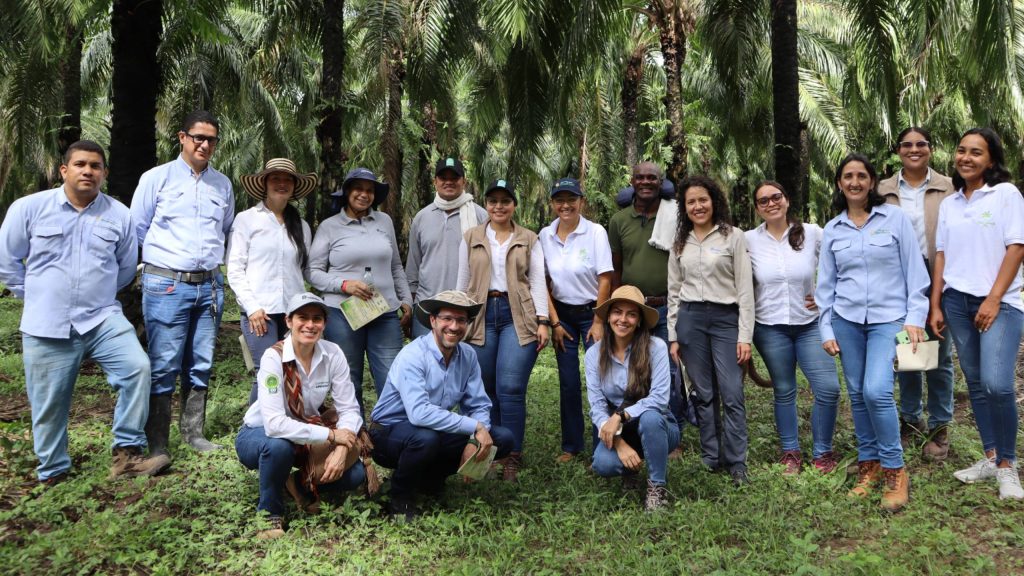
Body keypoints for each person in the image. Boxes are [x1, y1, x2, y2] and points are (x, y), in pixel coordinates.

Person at [0, 140, 169, 485]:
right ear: (65, 170)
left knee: (137, 369)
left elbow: (124, 268)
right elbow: (6, 261)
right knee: (49, 403)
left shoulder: (119, 216)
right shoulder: (29, 208)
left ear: (104, 173)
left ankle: (126, 454)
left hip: (101, 317)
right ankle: (53, 472)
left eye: (95, 166)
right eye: (80, 164)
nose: (87, 171)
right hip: (47, 323)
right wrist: (35, 295)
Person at [816, 153, 929, 512]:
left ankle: (896, 469)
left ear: (871, 181)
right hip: (847, 321)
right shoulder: (833, 229)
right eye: (847, 176)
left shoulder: (894, 219)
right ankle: (870, 466)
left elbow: (915, 272)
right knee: (857, 392)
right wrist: (825, 327)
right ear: (839, 183)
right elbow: (826, 286)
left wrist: (916, 318)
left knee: (876, 390)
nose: (854, 182)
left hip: (889, 319)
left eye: (861, 176)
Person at [131, 110, 234, 457]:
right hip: (166, 285)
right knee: (164, 363)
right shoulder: (155, 179)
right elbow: (138, 230)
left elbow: (225, 231)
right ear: (182, 138)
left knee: (201, 361)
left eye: (211, 140)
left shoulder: (223, 184)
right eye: (198, 138)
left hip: (210, 286)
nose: (204, 144)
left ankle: (194, 434)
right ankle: (157, 442)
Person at [930, 127, 1024, 500]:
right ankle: (990, 456)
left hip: (999, 303)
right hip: (956, 301)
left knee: (997, 383)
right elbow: (941, 256)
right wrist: (936, 303)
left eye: (976, 152)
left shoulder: (1005, 195)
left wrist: (993, 299)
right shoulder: (951, 203)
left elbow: (1017, 248)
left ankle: (1008, 466)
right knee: (975, 382)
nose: (966, 158)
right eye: (961, 150)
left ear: (991, 160)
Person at [369, 291, 515, 520]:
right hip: (388, 432)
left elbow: (478, 404)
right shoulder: (413, 355)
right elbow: (419, 414)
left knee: (503, 438)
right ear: (433, 321)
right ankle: (399, 500)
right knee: (424, 438)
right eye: (447, 318)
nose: (454, 326)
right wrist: (474, 427)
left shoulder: (467, 355)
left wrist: (473, 438)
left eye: (461, 320)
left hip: (431, 430)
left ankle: (430, 480)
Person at [235, 293, 366, 539]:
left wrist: (340, 448)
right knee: (278, 447)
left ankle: (298, 486)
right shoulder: (273, 357)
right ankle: (270, 514)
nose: (310, 324)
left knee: (355, 473)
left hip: (306, 432)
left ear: (324, 324)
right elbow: (274, 425)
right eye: (302, 317)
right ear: (288, 321)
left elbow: (349, 407)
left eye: (317, 318)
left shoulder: (332, 353)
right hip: (259, 435)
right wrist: (330, 435)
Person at [745, 181, 842, 475]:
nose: (771, 203)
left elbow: (841, 265)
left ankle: (822, 452)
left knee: (828, 389)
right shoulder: (748, 240)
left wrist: (828, 297)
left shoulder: (813, 233)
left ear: (787, 200)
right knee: (785, 389)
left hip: (810, 324)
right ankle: (790, 453)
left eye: (776, 197)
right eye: (763, 201)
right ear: (757, 208)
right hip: (770, 327)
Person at [457, 179, 549, 481]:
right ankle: (490, 450)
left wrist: (543, 320)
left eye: (505, 201)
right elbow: (463, 281)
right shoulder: (471, 237)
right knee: (485, 390)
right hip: (481, 314)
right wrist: (459, 319)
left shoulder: (529, 238)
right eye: (493, 200)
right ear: (486, 204)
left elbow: (537, 282)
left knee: (510, 389)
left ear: (514, 205)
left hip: (516, 315)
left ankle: (512, 455)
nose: (499, 206)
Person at [667, 176, 755, 486]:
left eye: (702, 199)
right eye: (691, 202)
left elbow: (745, 290)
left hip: (725, 319)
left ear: (714, 201)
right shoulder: (680, 242)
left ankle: (736, 461)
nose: (697, 206)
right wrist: (673, 336)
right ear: (684, 208)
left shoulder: (733, 237)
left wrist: (745, 336)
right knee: (703, 393)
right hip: (690, 320)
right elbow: (674, 291)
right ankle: (710, 454)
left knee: (731, 392)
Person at [878, 127, 956, 460]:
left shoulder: (948, 187)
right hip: (896, 277)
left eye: (920, 144)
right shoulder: (883, 190)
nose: (914, 149)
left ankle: (940, 427)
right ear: (898, 151)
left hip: (939, 271)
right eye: (907, 145)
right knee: (909, 349)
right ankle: (911, 420)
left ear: (931, 149)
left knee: (938, 352)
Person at [307, 167, 412, 411]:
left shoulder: (384, 221)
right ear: (347, 192)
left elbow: (396, 265)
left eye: (369, 190)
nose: (364, 194)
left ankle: (391, 432)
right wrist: (345, 285)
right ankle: (356, 435)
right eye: (358, 189)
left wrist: (405, 299)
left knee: (392, 375)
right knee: (348, 376)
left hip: (384, 312)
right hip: (342, 313)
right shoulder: (330, 226)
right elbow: (312, 271)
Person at [608, 161, 685, 449]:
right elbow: (616, 268)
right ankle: (634, 428)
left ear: (660, 181)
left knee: (672, 370)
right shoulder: (619, 220)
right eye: (640, 177)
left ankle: (670, 433)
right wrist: (615, 307)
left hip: (667, 306)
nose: (645, 182)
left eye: (652, 178)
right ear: (632, 181)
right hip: (632, 310)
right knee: (633, 369)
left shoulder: (674, 215)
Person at [228, 158, 317, 405]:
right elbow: (234, 268)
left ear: (294, 186)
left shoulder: (301, 226)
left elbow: (307, 271)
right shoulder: (247, 220)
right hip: (260, 311)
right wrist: (252, 307)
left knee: (293, 368)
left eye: (287, 179)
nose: (282, 184)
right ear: (265, 183)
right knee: (267, 370)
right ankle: (255, 427)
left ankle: (287, 422)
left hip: (292, 311)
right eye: (275, 178)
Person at [539, 177, 613, 462]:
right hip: (562, 317)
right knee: (568, 380)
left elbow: (605, 277)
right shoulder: (545, 235)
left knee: (600, 378)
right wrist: (554, 323)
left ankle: (602, 441)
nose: (565, 205)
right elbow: (542, 281)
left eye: (571, 199)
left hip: (591, 314)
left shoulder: (595, 233)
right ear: (552, 204)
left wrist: (598, 319)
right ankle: (572, 445)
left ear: (582, 202)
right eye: (559, 200)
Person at [587, 285, 679, 511]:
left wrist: (620, 415)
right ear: (608, 317)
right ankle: (631, 469)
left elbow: (659, 398)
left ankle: (657, 487)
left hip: (660, 425)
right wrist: (618, 443)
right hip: (621, 430)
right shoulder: (594, 354)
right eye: (617, 312)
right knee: (602, 463)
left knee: (649, 417)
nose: (623, 319)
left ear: (639, 321)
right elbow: (597, 407)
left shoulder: (655, 347)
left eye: (631, 314)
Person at [405, 157, 487, 338]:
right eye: (443, 177)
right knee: (426, 362)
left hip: (466, 309)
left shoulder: (480, 216)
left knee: (465, 363)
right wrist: (411, 306)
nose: (448, 181)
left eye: (455, 177)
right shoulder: (422, 217)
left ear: (463, 181)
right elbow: (413, 265)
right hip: (427, 307)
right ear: (435, 182)